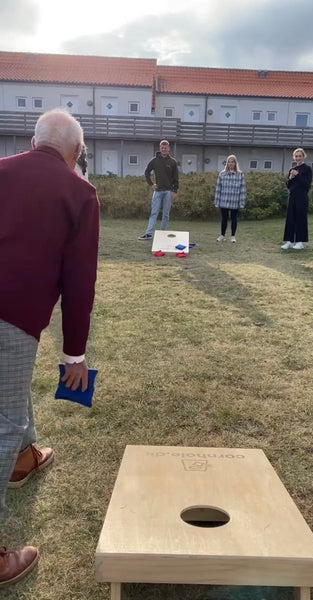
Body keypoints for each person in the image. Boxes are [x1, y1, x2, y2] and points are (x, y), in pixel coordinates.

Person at [0, 108, 100, 587]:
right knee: (0, 420)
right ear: (76, 152)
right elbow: (79, 281)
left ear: (32, 138)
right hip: (13, 315)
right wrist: (75, 355)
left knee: (9, 391)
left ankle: (24, 458)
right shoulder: (80, 192)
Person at [138, 140, 179, 240]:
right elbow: (147, 172)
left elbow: (176, 178)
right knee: (154, 213)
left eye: (166, 147)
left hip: (168, 192)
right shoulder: (154, 160)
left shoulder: (173, 162)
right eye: (162, 147)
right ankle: (148, 234)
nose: (164, 149)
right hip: (157, 191)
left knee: (166, 214)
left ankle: (162, 234)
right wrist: (151, 184)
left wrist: (175, 191)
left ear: (168, 149)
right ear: (160, 148)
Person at [281, 148, 313, 250]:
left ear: (303, 157)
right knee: (290, 218)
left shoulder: (307, 169)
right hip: (292, 196)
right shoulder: (292, 170)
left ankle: (299, 242)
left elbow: (307, 184)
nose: (298, 158)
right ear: (294, 158)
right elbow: (288, 186)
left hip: (302, 197)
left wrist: (298, 175)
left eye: (300, 156)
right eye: (296, 156)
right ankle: (289, 241)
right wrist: (290, 178)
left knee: (300, 218)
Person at [214, 154, 246, 242]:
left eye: (232, 162)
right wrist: (217, 201)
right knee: (224, 219)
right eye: (229, 162)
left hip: (234, 201)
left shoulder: (240, 174)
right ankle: (222, 235)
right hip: (223, 201)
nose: (231, 164)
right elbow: (218, 188)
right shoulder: (222, 174)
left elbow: (242, 189)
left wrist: (242, 202)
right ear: (227, 163)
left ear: (235, 163)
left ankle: (233, 236)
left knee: (234, 219)